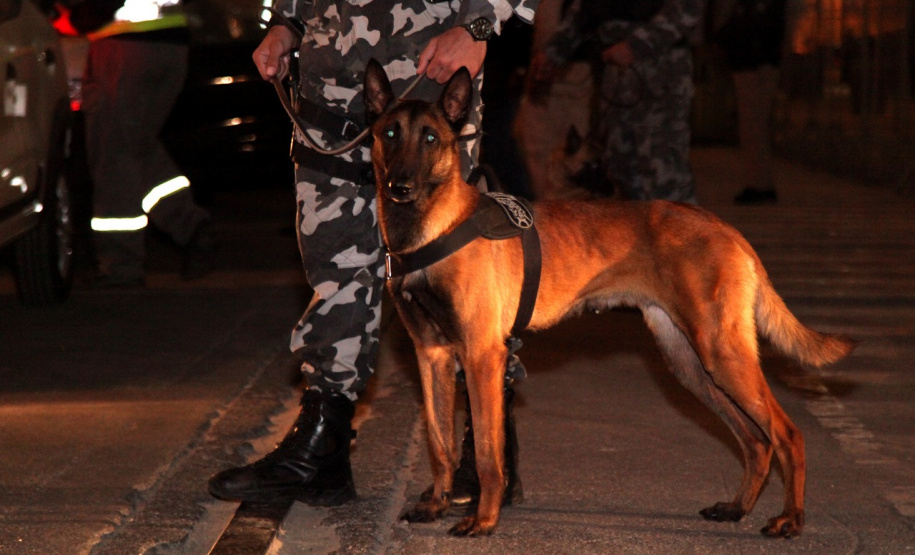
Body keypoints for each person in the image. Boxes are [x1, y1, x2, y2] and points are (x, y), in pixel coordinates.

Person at [207, 0, 538, 508]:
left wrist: (478, 25)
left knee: (460, 289)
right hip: (328, 91)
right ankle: (321, 449)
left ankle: (487, 451)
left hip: (429, 78)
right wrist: (286, 22)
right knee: (333, 272)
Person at [72, 0, 215, 286]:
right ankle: (191, 226)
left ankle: (121, 265)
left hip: (124, 44)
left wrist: (77, 14)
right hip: (171, 43)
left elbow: (93, 10)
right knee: (136, 146)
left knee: (114, 156)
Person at [530, 0, 705, 203]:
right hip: (614, 70)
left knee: (663, 168)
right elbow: (584, 9)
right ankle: (633, 223)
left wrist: (635, 46)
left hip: (661, 68)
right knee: (619, 167)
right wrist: (554, 51)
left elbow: (688, 8)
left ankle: (676, 223)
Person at [709, 0, 787, 205]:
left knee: (753, 126)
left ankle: (759, 184)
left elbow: (751, 25)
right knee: (754, 126)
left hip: (753, 61)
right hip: (755, 59)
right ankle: (760, 182)